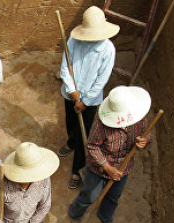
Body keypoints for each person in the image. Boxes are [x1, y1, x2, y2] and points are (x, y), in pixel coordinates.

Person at [68, 85, 151, 223]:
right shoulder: (102, 124)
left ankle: (105, 216)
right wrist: (107, 167)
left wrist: (143, 141)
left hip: (123, 168)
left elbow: (146, 134)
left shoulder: (139, 118)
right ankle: (75, 213)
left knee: (114, 196)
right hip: (98, 168)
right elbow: (92, 146)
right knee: (89, 195)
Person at [58, 6, 119, 190]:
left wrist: (85, 101)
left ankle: (77, 169)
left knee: (84, 133)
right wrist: (72, 92)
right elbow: (64, 67)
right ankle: (70, 142)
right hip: (71, 94)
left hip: (90, 101)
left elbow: (101, 80)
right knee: (71, 123)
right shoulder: (73, 41)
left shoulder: (108, 50)